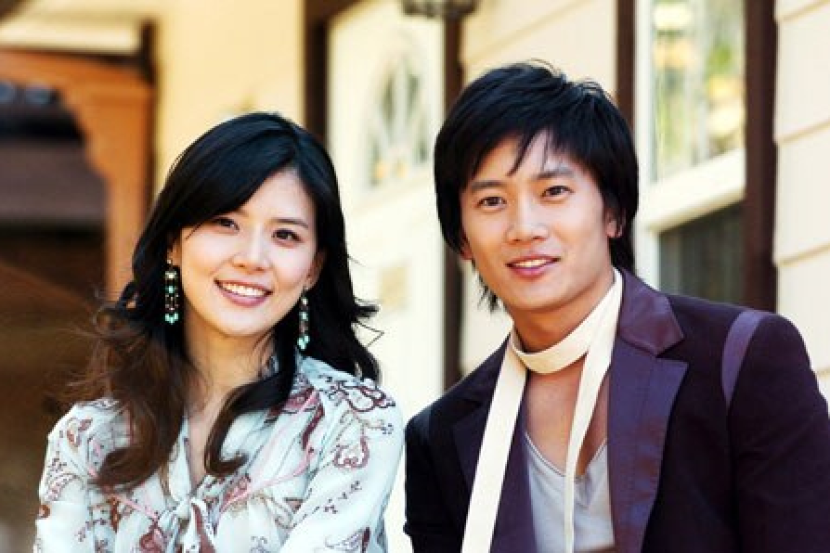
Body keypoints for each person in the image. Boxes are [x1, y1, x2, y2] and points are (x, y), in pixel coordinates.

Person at [404, 61, 830, 553]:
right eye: (492, 202)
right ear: (461, 238)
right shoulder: (439, 438)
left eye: (554, 191)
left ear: (613, 211)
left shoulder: (742, 360)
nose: (524, 228)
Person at [35, 112, 403, 551]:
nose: (252, 258)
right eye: (226, 223)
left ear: (313, 269)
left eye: (285, 235)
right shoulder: (87, 438)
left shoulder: (353, 423)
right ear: (173, 243)